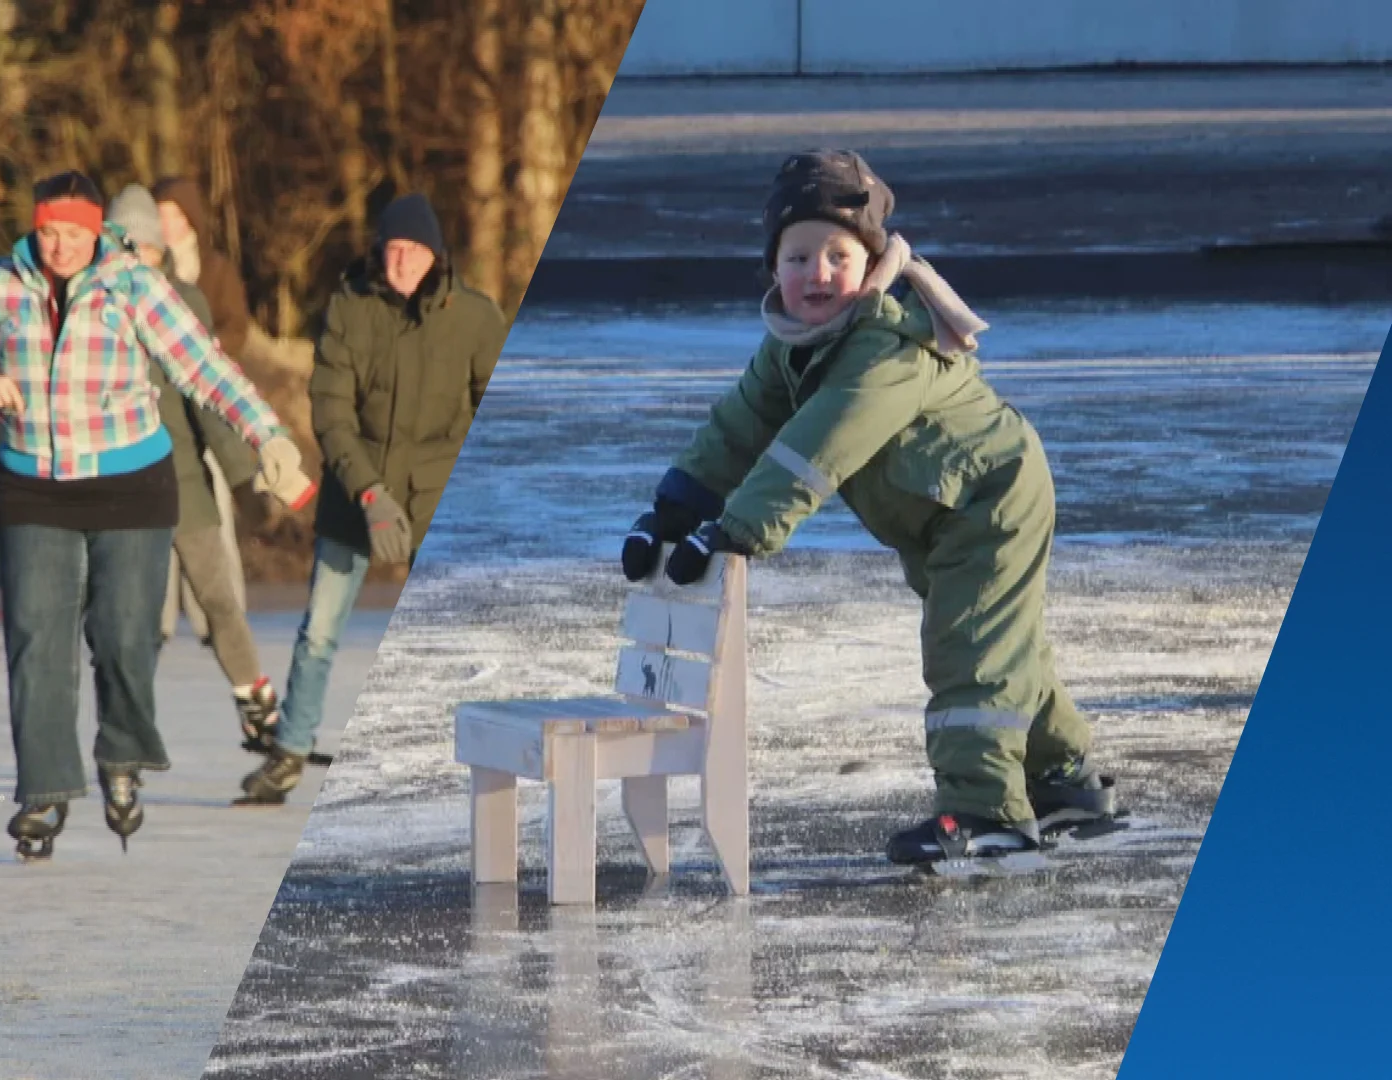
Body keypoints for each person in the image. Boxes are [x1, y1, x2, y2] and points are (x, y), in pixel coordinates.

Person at [620, 150, 1119, 868]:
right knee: (1000, 643)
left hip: (989, 498)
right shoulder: (790, 349)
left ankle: (985, 808)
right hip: (935, 507)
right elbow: (740, 427)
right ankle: (1061, 778)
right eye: (797, 257)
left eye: (836, 255)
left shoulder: (890, 341)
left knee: (969, 646)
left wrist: (735, 531)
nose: (816, 274)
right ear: (772, 268)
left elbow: (816, 447)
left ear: (872, 260)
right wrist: (673, 508)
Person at [0, 171, 312, 860]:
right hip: (33, 483)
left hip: (131, 481)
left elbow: (203, 367)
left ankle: (121, 760)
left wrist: (268, 435)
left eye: (74, 234)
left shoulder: (131, 284)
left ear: (97, 232)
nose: (60, 247)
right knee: (38, 640)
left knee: (125, 634)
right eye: (48, 233)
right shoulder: (3, 282)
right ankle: (44, 788)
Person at [240, 193, 505, 804]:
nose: (402, 260)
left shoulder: (475, 318)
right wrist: (368, 490)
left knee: (449, 633)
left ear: (435, 255)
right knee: (320, 631)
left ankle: (454, 753)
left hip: (436, 496)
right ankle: (289, 752)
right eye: (393, 249)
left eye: (413, 250)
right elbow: (331, 410)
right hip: (354, 494)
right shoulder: (350, 308)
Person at [106, 184, 295, 755]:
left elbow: (212, 406)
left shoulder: (184, 304)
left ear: (160, 255)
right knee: (137, 618)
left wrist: (246, 487)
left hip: (184, 485)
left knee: (218, 599)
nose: (136, 264)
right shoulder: (95, 313)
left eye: (146, 251)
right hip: (119, 493)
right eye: (124, 250)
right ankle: (128, 723)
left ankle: (254, 698)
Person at [153, 177, 254, 361]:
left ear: (190, 218)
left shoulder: (218, 269)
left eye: (176, 216)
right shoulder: (144, 264)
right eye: (161, 215)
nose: (167, 224)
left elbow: (236, 329)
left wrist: (204, 348)